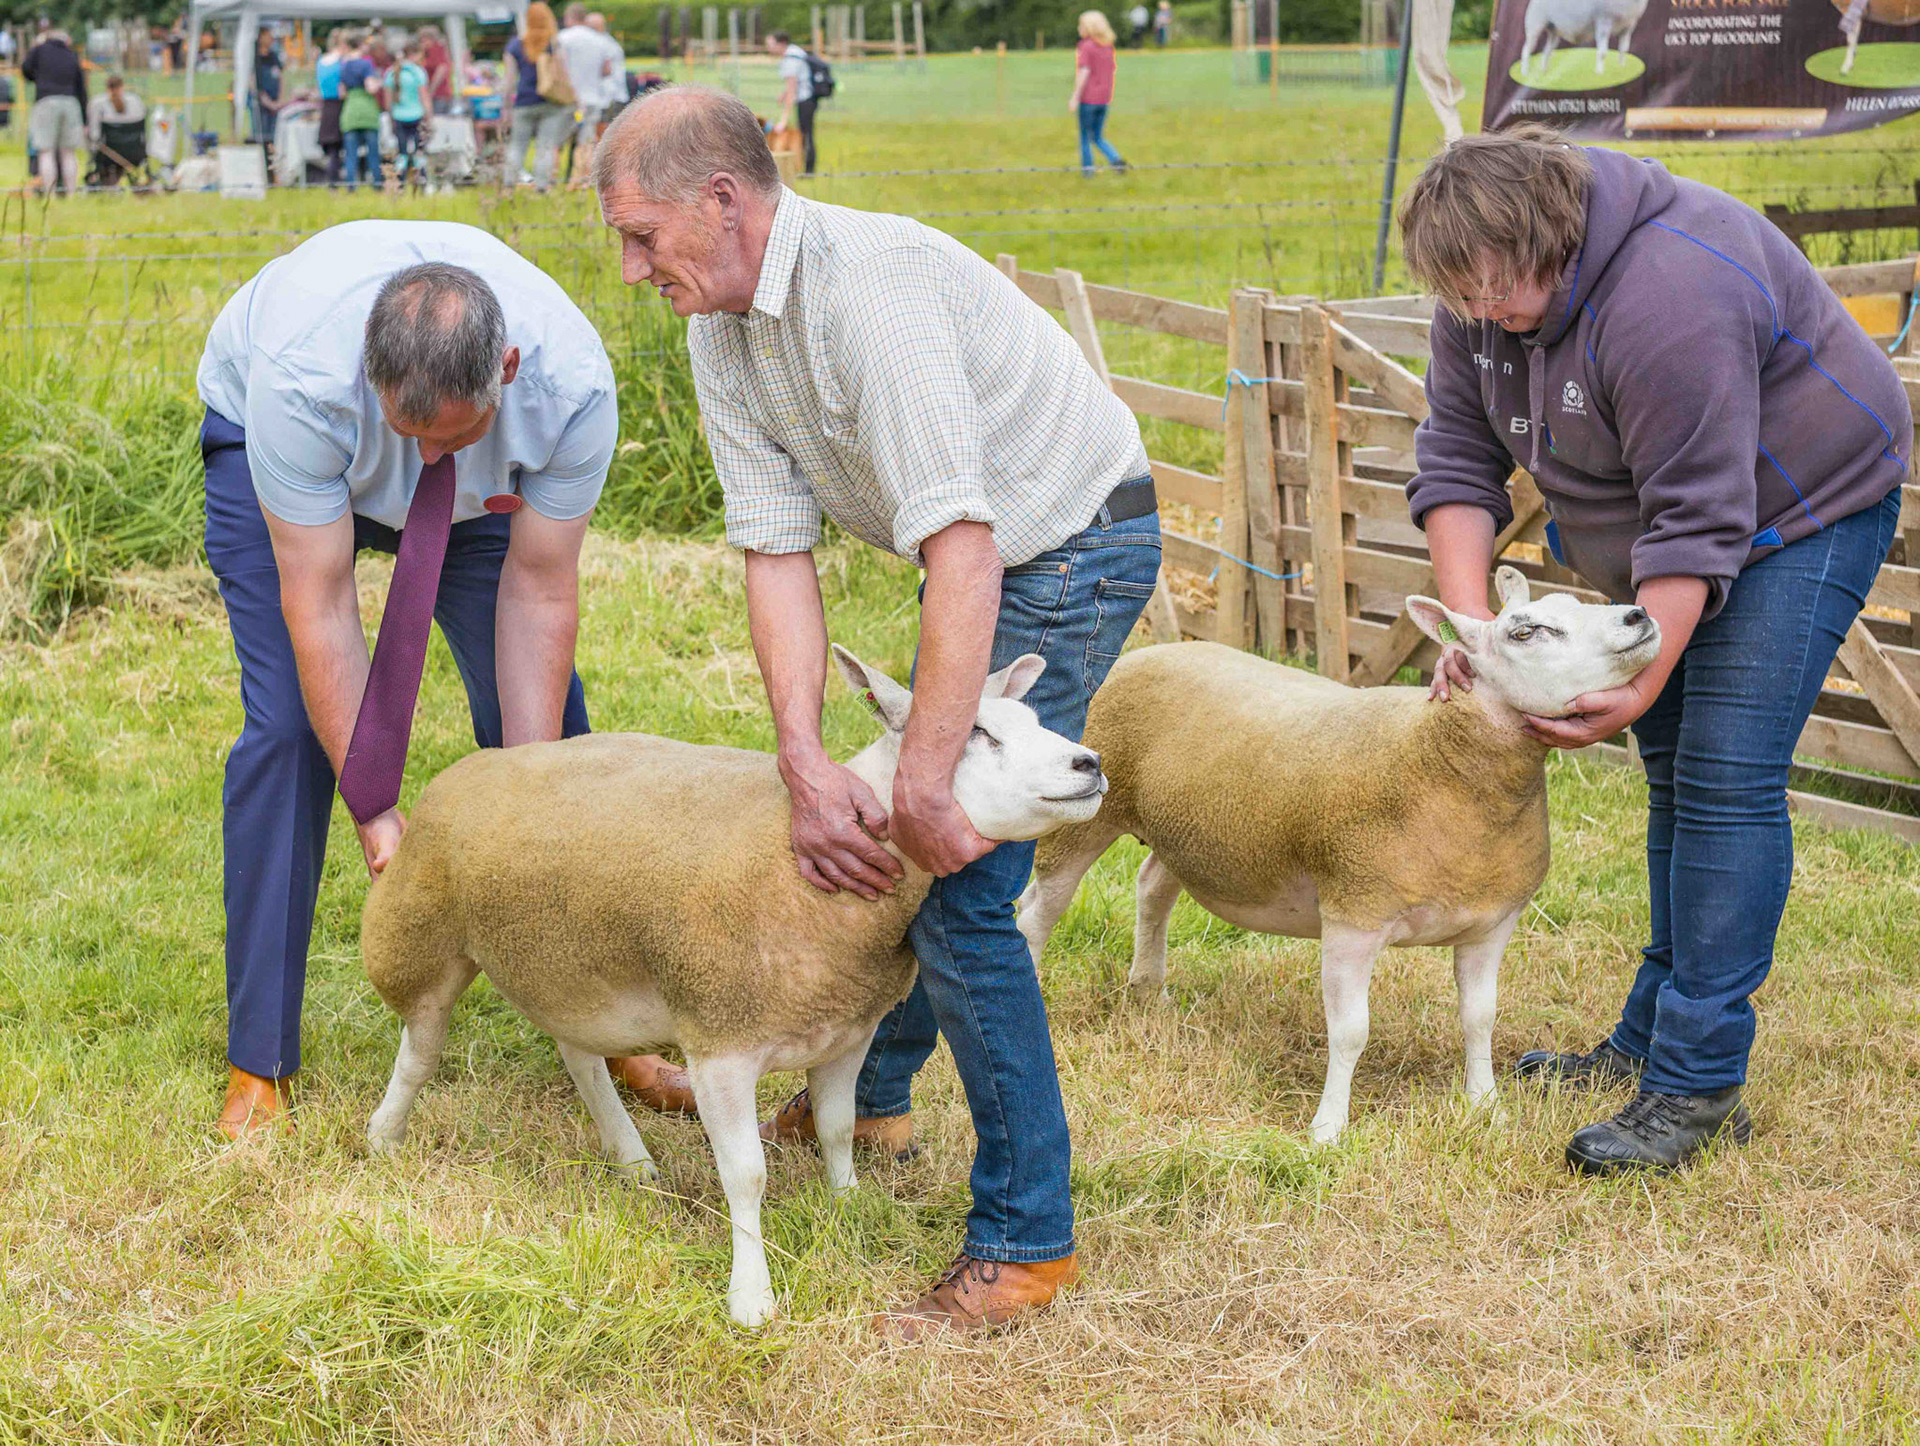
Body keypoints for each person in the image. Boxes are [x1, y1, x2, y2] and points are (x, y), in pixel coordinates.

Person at [594, 87, 1162, 1335]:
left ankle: (1027, 1240)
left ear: (724, 201)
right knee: (903, 840)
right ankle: (878, 1096)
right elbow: (773, 552)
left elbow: (968, 548)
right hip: (975, 555)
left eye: (644, 236)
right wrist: (803, 757)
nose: (632, 268)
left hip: (1064, 546)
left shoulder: (874, 292)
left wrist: (925, 772)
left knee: (950, 875)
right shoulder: (721, 329)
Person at [1397, 130, 1908, 1176]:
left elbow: (1701, 513)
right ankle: (1648, 1038)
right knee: (1675, 773)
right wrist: (1477, 639)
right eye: (1460, 294)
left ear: (1552, 239)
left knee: (1724, 774)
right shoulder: (1477, 297)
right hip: (1662, 520)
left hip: (1799, 507)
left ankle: (1696, 1083)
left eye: (1492, 287)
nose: (1478, 310)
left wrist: (1637, 683)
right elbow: (1457, 454)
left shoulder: (1672, 292)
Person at [194, 222, 618, 1138]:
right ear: (368, 371)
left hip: (483, 501)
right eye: (408, 432)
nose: (425, 457)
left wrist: (527, 798)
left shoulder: (572, 388)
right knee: (286, 735)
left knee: (549, 734)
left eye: (449, 435)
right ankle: (257, 1061)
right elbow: (320, 598)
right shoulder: (301, 376)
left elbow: (539, 589)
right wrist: (374, 804)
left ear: (504, 370)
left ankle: (607, 1019)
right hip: (294, 462)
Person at [503, 1, 571, 192]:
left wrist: (506, 105)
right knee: (545, 146)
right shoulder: (554, 44)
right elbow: (563, 73)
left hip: (523, 102)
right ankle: (541, 187)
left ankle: (509, 184)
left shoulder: (515, 45)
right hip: (550, 100)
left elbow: (509, 80)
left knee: (517, 145)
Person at [23, 27, 85, 196]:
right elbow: (81, 87)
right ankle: (71, 193)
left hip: (46, 101)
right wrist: (85, 119)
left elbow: (26, 69)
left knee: (46, 151)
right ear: (66, 40)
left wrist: (39, 77)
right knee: (68, 153)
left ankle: (50, 194)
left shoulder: (39, 50)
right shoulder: (71, 55)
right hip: (70, 102)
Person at [555, 4, 607, 183]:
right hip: (593, 98)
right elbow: (606, 70)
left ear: (569, 17)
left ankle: (549, 178)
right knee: (586, 142)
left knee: (555, 140)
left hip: (569, 99)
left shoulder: (563, 38)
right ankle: (582, 180)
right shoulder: (599, 40)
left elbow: (556, 67)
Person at [1070, 11, 1126, 177]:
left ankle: (1088, 171)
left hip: (1088, 99)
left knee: (1085, 137)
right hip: (1104, 99)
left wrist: (1075, 96)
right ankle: (1115, 159)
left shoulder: (1086, 46)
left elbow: (1084, 72)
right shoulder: (1108, 46)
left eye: (1081, 25)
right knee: (1098, 136)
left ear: (1089, 27)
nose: (1079, 28)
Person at [766, 29, 814, 177]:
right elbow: (797, 82)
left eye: (771, 44)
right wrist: (784, 94)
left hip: (805, 99)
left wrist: (783, 120)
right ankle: (807, 170)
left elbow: (793, 91)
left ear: (781, 44)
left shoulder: (790, 59)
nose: (768, 48)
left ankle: (808, 172)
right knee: (806, 134)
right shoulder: (796, 52)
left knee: (805, 136)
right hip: (808, 97)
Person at [339, 30, 383, 190]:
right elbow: (370, 87)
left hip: (350, 110)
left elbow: (341, 92)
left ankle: (351, 187)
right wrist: (379, 83)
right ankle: (377, 186)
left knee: (351, 155)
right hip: (366, 111)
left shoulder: (343, 64)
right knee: (373, 153)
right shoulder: (366, 63)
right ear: (360, 44)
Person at [86, 73, 147, 187]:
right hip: (134, 154)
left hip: (108, 155)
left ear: (107, 88)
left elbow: (94, 135)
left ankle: (107, 181)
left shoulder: (97, 103)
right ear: (123, 86)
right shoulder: (136, 101)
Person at [386, 38, 430, 189]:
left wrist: (392, 116)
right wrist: (429, 117)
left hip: (399, 117)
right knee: (419, 152)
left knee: (402, 153)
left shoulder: (391, 72)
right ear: (414, 54)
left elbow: (388, 101)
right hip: (417, 116)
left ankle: (400, 183)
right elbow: (424, 97)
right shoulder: (418, 72)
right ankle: (422, 180)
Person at [316, 28, 346, 186]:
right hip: (340, 105)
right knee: (343, 145)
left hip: (326, 106)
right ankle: (340, 180)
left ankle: (332, 180)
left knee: (332, 148)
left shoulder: (321, 61)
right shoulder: (342, 61)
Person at [251, 26, 284, 160]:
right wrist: (267, 102)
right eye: (268, 36)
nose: (271, 39)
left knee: (274, 138)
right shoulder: (254, 58)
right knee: (261, 137)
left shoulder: (273, 56)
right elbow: (252, 82)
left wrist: (279, 101)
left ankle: (273, 165)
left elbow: (281, 78)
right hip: (261, 105)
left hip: (275, 104)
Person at [418, 24, 454, 115]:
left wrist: (430, 91)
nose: (422, 42)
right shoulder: (431, 51)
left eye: (423, 39)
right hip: (440, 94)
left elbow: (441, 70)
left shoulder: (435, 50)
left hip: (438, 95)